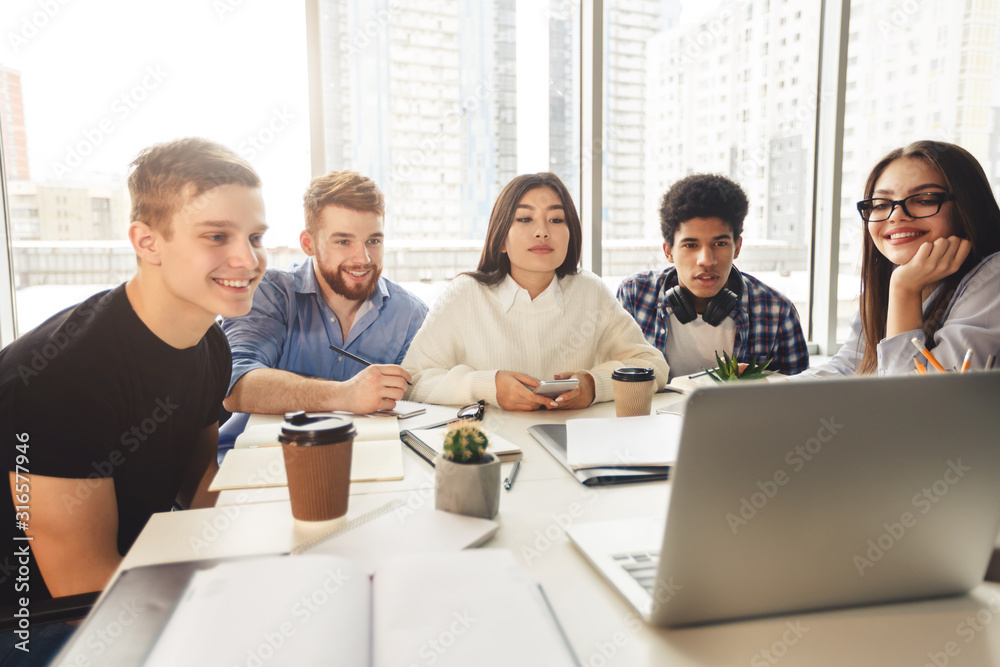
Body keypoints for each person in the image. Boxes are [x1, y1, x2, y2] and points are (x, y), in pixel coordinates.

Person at [0, 138, 266, 662]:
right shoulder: (60, 377)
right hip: (34, 621)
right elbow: (84, 591)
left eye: (255, 237)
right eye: (217, 236)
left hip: (131, 573)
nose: (249, 259)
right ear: (147, 242)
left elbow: (199, 489)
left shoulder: (208, 341)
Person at [402, 172, 667, 410]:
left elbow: (653, 365)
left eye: (555, 219)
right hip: (493, 448)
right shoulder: (465, 295)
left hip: (573, 445)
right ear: (501, 239)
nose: (542, 232)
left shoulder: (590, 291)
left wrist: (595, 385)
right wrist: (488, 387)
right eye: (525, 219)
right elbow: (413, 381)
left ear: (570, 234)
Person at [219, 171, 427, 450]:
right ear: (309, 244)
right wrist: (344, 395)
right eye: (343, 241)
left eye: (373, 241)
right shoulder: (271, 292)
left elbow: (420, 401)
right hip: (260, 459)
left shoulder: (410, 314)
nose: (363, 258)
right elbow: (236, 385)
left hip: (367, 459)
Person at [801, 140, 1000, 377]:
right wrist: (764, 390)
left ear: (969, 206)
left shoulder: (993, 277)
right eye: (881, 204)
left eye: (925, 200)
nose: (896, 215)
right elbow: (848, 367)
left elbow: (912, 402)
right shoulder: (892, 281)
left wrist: (904, 289)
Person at [617, 173, 809, 379]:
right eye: (691, 245)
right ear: (668, 251)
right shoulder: (634, 295)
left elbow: (798, 402)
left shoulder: (777, 311)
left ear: (737, 247)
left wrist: (758, 386)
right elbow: (613, 378)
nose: (706, 260)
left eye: (720, 244)